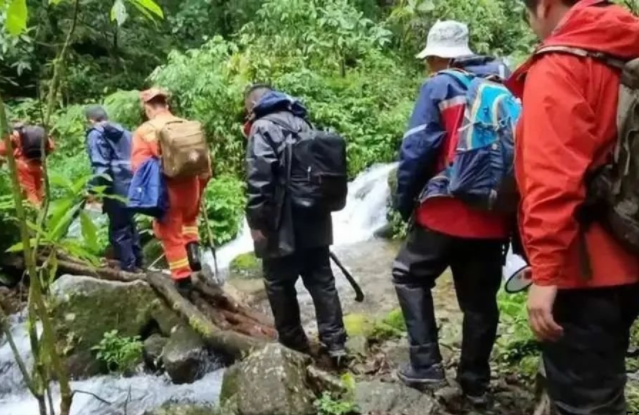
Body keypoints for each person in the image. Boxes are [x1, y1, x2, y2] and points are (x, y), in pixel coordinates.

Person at [509, 1, 639, 414]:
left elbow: (551, 178)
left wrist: (546, 274)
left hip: (587, 268)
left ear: (544, 7)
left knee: (587, 403)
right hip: (633, 248)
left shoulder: (561, 65)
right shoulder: (628, 48)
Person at [393, 20, 511, 403]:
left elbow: (415, 151)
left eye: (430, 59)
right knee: (479, 303)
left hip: (445, 210)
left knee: (408, 275)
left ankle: (426, 367)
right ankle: (475, 383)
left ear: (440, 57)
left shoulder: (440, 85)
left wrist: (404, 202)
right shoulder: (501, 85)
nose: (428, 66)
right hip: (493, 214)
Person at [243, 85, 347, 360]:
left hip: (282, 223)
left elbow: (259, 179)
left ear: (253, 105)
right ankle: (336, 344)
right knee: (321, 280)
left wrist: (257, 222)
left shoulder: (262, 127)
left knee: (278, 283)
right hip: (315, 217)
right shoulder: (302, 122)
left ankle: (293, 345)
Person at [131, 89, 210, 291]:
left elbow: (139, 167)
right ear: (166, 106)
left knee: (171, 234)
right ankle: (193, 254)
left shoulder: (145, 131)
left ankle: (183, 281)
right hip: (192, 188)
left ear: (148, 109)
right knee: (189, 221)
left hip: (168, 191)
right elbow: (204, 162)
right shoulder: (187, 125)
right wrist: (201, 187)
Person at [85, 105, 142, 272]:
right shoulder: (125, 132)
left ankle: (128, 268)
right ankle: (139, 262)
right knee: (130, 224)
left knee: (118, 229)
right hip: (132, 183)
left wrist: (94, 190)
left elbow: (101, 166)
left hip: (114, 187)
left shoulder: (96, 134)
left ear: (90, 120)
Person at [0, 123, 54, 206]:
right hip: (39, 165)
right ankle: (44, 209)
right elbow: (51, 147)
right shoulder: (39, 135)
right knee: (39, 190)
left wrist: (6, 160)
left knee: (30, 191)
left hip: (24, 166)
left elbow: (1, 150)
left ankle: (37, 212)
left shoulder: (12, 138)